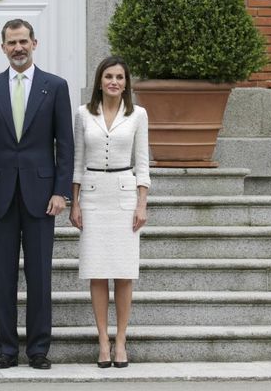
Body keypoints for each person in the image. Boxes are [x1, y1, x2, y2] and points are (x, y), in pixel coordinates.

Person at [0, 19, 74, 369]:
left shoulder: (55, 87)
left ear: (35, 43)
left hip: (42, 196)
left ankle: (39, 349)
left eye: (23, 41)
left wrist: (62, 191)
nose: (18, 47)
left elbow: (66, 144)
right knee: (4, 277)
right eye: (12, 42)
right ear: (3, 47)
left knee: (40, 276)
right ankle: (7, 350)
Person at [69, 55, 150, 369]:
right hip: (91, 195)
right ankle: (102, 340)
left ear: (126, 82)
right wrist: (74, 202)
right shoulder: (83, 114)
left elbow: (142, 162)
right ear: (99, 81)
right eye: (108, 77)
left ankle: (121, 340)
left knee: (124, 272)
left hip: (123, 194)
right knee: (97, 271)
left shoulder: (137, 114)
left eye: (119, 77)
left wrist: (141, 203)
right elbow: (77, 162)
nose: (114, 82)